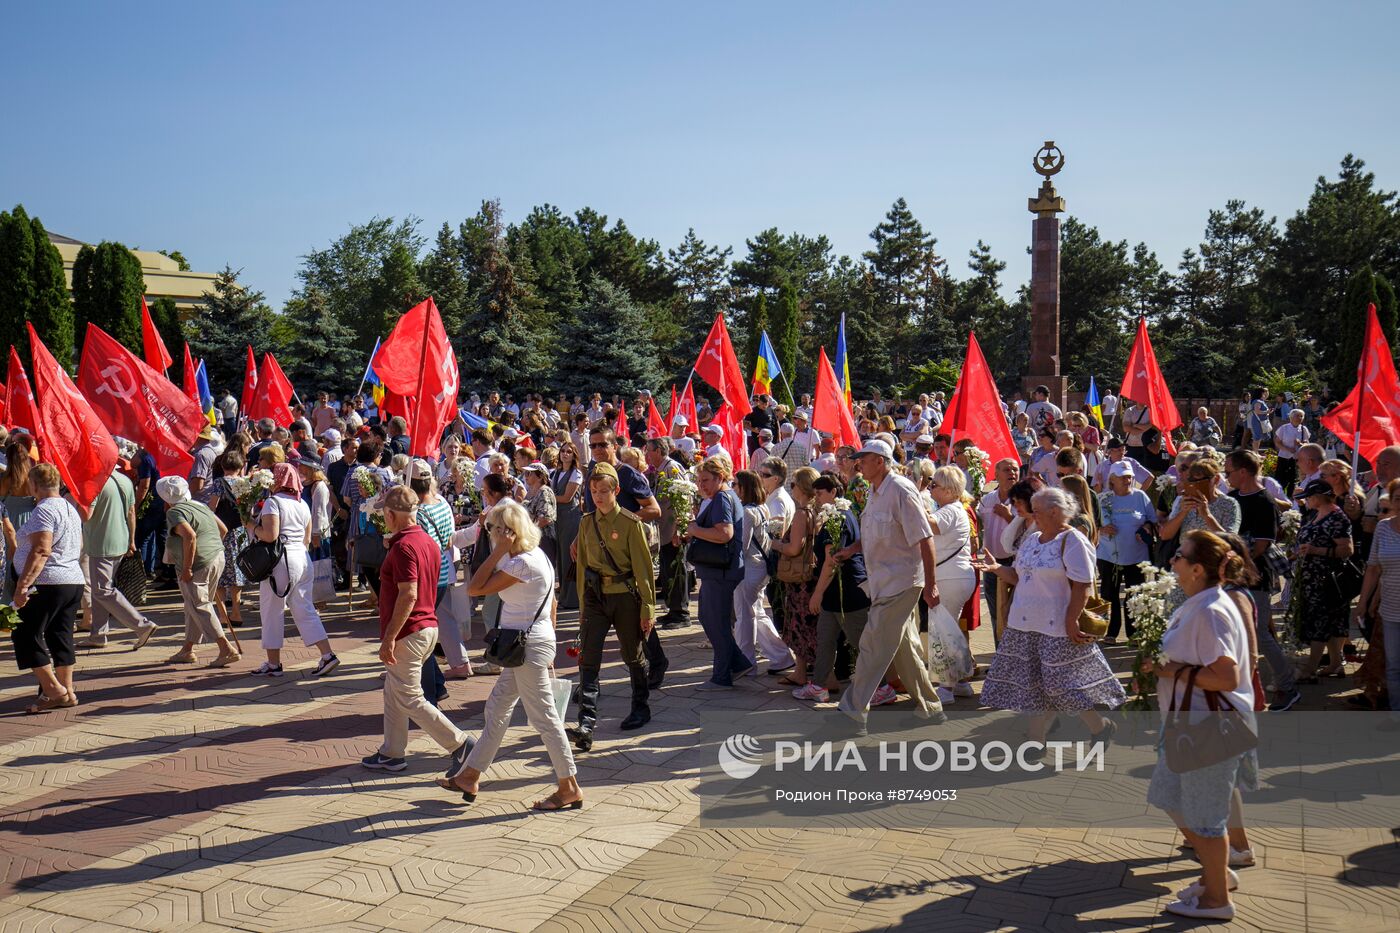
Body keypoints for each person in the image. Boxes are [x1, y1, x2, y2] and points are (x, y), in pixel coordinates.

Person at [436, 499, 582, 809]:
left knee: (544, 718)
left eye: (493, 530)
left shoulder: (520, 563)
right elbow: (552, 604)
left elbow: (474, 588)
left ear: (507, 532)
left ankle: (568, 785)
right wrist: (550, 643)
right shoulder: (535, 556)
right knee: (497, 707)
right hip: (529, 644)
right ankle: (470, 774)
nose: (489, 535)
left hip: (526, 647)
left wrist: (499, 551)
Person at [1144, 529, 1257, 921]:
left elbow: (1226, 676)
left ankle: (1216, 900)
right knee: (1169, 796)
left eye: (1179, 556)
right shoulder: (1199, 602)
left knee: (1205, 818)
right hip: (1187, 723)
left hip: (1208, 727)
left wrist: (1171, 669)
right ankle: (1216, 874)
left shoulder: (1210, 610)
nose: (1172, 561)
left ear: (1196, 569)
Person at [975, 487, 1124, 747]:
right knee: (1033, 684)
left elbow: (1083, 584)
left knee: (1060, 685)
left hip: (1057, 625)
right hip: (1024, 624)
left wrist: (1071, 619)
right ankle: (1036, 740)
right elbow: (1020, 576)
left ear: (1055, 512)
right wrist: (997, 568)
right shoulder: (1033, 539)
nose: (1031, 515)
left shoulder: (1074, 540)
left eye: (1036, 510)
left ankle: (1100, 727)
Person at [360, 486, 476, 774]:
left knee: (409, 696)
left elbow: (408, 594)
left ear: (390, 514)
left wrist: (389, 637)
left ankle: (460, 744)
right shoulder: (424, 541)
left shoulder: (404, 547)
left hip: (410, 630)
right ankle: (392, 752)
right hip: (427, 626)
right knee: (394, 691)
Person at [832, 440, 945, 727]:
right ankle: (931, 708)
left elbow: (924, 538)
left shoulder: (901, 490)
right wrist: (852, 549)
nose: (858, 464)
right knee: (905, 648)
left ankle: (853, 709)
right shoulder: (874, 491)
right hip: (883, 582)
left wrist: (931, 585)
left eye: (864, 459)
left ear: (880, 461)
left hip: (902, 582)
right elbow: (875, 534)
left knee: (873, 645)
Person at [569, 462, 656, 751]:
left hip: (624, 596)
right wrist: (582, 603)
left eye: (604, 491)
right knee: (589, 657)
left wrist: (648, 610)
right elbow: (582, 566)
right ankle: (586, 722)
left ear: (616, 491)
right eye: (594, 491)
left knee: (632, 654)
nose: (598, 496)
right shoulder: (585, 522)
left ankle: (640, 707)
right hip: (595, 596)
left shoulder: (631, 524)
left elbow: (643, 569)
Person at [1223, 449, 1299, 711]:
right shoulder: (1232, 498)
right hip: (1231, 578)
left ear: (1243, 472)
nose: (1226, 476)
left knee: (1260, 634)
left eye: (1229, 471)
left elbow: (1263, 545)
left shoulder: (1265, 501)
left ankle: (1287, 686)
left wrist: (1236, 565)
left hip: (1255, 578)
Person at [9, 464, 85, 713]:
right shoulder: (68, 507)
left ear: (34, 485)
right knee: (59, 634)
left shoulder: (44, 509)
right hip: (71, 579)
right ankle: (66, 691)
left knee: (24, 633)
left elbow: (42, 549)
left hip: (49, 581)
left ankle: (54, 690)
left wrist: (23, 584)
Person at [253, 462, 340, 677]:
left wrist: (251, 525)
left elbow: (270, 535)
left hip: (281, 559)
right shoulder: (301, 503)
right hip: (302, 557)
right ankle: (327, 654)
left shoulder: (273, 502)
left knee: (272, 610)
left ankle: (274, 664)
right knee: (304, 608)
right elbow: (307, 538)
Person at [802, 474, 876, 703]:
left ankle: (881, 687)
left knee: (861, 642)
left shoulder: (839, 516)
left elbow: (831, 560)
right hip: (835, 592)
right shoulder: (837, 514)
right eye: (814, 494)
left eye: (820, 493)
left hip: (848, 591)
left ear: (834, 492)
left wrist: (817, 593)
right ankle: (818, 685)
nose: (816, 499)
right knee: (825, 638)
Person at [687, 456, 754, 691]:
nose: (701, 485)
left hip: (721, 571)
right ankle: (738, 664)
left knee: (717, 622)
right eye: (699, 480)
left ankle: (722, 675)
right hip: (717, 570)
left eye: (705, 480)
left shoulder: (723, 498)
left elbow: (724, 534)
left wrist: (695, 529)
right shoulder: (722, 497)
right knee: (709, 618)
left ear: (720, 478)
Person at [158, 477, 240, 667]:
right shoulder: (200, 505)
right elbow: (223, 529)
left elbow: (190, 536)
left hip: (198, 564)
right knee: (194, 605)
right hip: (216, 556)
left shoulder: (175, 511)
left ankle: (225, 648)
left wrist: (187, 567)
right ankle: (187, 649)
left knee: (199, 606)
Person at [79, 464, 159, 650]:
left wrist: (77, 501)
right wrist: (131, 539)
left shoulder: (96, 484)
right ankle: (98, 635)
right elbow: (132, 512)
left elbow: (85, 515)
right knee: (101, 590)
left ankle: (142, 625)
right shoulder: (124, 480)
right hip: (119, 539)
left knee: (102, 590)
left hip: (102, 541)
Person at [924, 465, 979, 704]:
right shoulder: (954, 509)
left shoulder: (950, 510)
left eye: (933, 485)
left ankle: (946, 687)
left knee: (943, 632)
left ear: (947, 490)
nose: (930, 488)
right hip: (954, 575)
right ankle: (962, 682)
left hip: (950, 577)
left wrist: (916, 497)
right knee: (951, 630)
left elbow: (929, 524)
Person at [733, 470, 795, 675]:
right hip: (759, 568)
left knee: (746, 616)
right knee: (756, 613)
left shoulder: (749, 512)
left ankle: (747, 661)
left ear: (744, 488)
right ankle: (782, 656)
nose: (733, 488)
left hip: (750, 568)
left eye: (736, 484)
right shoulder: (761, 508)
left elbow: (741, 545)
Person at [1294, 479, 1354, 681]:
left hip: (1326, 579)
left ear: (1318, 496)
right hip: (1314, 577)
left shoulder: (1337, 517)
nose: (1307, 501)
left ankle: (1310, 668)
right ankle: (1336, 664)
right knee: (1332, 622)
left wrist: (1316, 550)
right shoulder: (1317, 514)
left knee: (1320, 621)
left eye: (1309, 497)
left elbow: (1347, 549)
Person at [1096, 462, 1156, 642]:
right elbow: (1091, 524)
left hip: (1136, 555)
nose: (1127, 480)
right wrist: (1101, 529)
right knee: (1108, 594)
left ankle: (1134, 633)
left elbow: (1153, 520)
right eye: (1123, 477)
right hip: (1108, 556)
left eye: (1129, 476)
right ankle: (1111, 631)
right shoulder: (1103, 498)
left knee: (1135, 594)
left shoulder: (1141, 497)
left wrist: (1146, 527)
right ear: (1112, 479)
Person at [773, 467, 820, 690]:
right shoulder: (817, 509)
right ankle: (801, 671)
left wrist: (773, 543)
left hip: (801, 578)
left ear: (802, 487)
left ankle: (810, 673)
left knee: (801, 624)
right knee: (803, 623)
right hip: (809, 576)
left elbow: (793, 548)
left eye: (793, 484)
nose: (791, 488)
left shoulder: (802, 513)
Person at [645, 437, 691, 631]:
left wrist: (680, 530)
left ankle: (681, 613)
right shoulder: (662, 470)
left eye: (648, 451)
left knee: (676, 570)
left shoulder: (672, 468)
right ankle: (673, 609)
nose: (646, 455)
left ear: (658, 451)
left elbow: (683, 498)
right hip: (664, 530)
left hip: (673, 531)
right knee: (667, 571)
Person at [1273, 408, 1309, 493]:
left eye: (1301, 416)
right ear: (1291, 417)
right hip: (1284, 456)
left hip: (1297, 457)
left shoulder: (1304, 429)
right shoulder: (1284, 428)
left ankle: (1291, 496)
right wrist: (1287, 449)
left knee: (1293, 478)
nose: (1300, 418)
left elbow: (1307, 444)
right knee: (1280, 478)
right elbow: (1277, 442)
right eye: (1297, 416)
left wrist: (1300, 443)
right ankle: (1279, 494)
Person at [1246, 387, 1273, 452]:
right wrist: (1267, 412)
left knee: (1258, 438)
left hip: (1259, 421)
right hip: (1258, 422)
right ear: (1260, 393)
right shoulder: (1257, 401)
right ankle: (1255, 452)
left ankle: (1256, 452)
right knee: (1257, 438)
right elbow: (1257, 411)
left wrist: (1267, 412)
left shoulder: (1259, 401)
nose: (1265, 394)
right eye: (1264, 392)